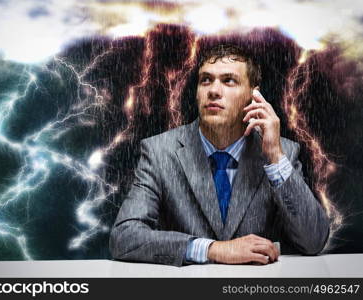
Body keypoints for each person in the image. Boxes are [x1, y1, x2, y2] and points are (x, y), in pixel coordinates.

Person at [109, 45, 330, 266]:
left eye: (229, 81)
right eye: (206, 80)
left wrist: (274, 157)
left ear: (254, 95)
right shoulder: (160, 152)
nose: (213, 90)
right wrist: (212, 249)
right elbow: (124, 237)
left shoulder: (282, 152)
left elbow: (314, 241)